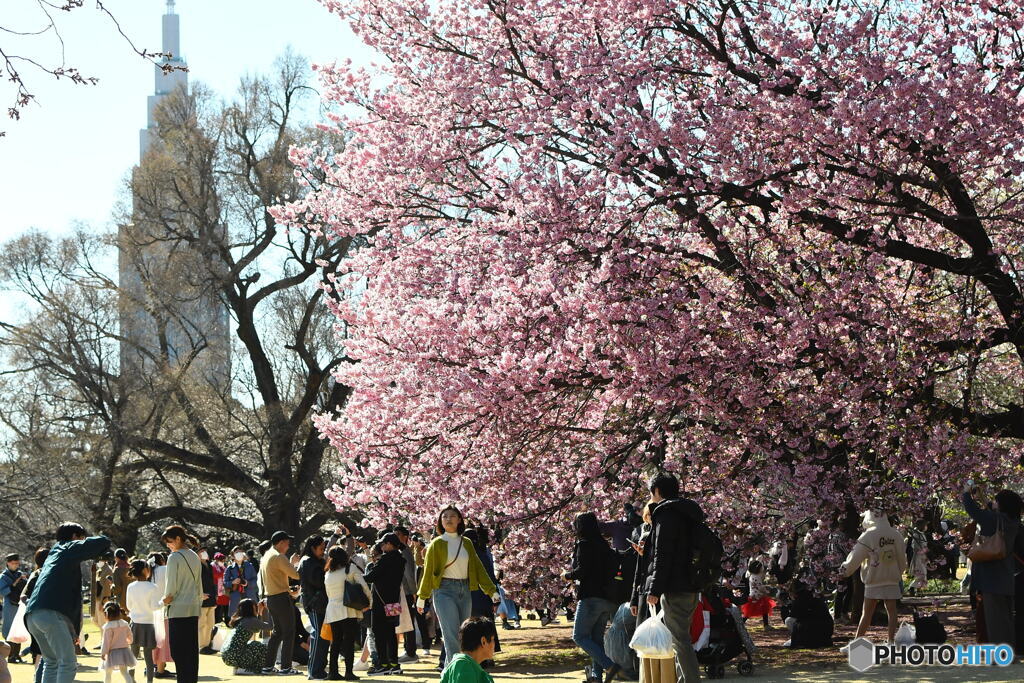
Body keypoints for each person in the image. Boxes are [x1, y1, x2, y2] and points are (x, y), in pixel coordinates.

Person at [24, 521, 111, 683]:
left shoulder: (54, 553)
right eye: (81, 538)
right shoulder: (67, 547)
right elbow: (103, 541)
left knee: (51, 662)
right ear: (74, 537)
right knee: (68, 663)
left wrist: (74, 630)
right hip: (51, 613)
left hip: (32, 615)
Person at [417, 506, 498, 670]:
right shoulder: (436, 544)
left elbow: (478, 568)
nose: (448, 519)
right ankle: (455, 674)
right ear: (440, 521)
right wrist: (422, 597)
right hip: (444, 590)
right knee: (451, 635)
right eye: (444, 516)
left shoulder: (466, 543)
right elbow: (428, 572)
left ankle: (453, 673)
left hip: (465, 590)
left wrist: (492, 590)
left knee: (464, 635)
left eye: (452, 516)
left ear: (459, 520)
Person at [644, 472, 704, 683]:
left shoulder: (666, 514)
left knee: (680, 640)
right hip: (692, 583)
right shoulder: (688, 513)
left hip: (675, 586)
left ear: (657, 491)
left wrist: (654, 588)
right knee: (680, 638)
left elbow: (663, 555)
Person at [962, 483, 1021, 646]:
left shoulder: (995, 520)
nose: (993, 503)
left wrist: (967, 493)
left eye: (996, 501)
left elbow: (974, 511)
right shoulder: (1011, 520)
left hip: (991, 579)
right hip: (1005, 577)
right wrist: (982, 498)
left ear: (1002, 505)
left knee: (995, 620)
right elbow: (989, 510)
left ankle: (1001, 654)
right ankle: (1009, 651)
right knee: (1006, 618)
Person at [838, 510, 907, 647]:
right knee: (892, 611)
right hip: (891, 578)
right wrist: (898, 572)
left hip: (873, 578)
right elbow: (902, 559)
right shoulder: (896, 534)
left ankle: (857, 642)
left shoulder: (868, 535)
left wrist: (845, 570)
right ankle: (891, 641)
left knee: (867, 613)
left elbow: (855, 556)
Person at [568, 512, 621, 683]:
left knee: (579, 636)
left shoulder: (584, 544)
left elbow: (582, 571)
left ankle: (609, 665)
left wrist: (566, 575)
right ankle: (597, 678)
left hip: (591, 597)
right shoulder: (604, 545)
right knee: (596, 640)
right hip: (607, 598)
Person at [160, 525, 203, 683]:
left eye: (169, 542)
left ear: (178, 539)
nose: (168, 545)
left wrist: (164, 602)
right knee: (191, 653)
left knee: (179, 652)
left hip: (177, 609)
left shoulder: (174, 557)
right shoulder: (194, 555)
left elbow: (171, 587)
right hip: (193, 608)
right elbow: (199, 583)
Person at [325, 546, 371, 680]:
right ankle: (349, 673)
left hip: (332, 610)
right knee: (349, 642)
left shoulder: (328, 573)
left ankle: (333, 672)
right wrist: (369, 603)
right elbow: (364, 586)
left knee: (336, 643)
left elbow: (328, 594)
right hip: (348, 609)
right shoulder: (350, 569)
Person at [259, 530, 301, 675]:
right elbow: (295, 574)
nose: (288, 546)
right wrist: (295, 563)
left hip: (271, 598)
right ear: (281, 542)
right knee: (289, 632)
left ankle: (268, 666)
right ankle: (286, 667)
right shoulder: (279, 556)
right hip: (281, 598)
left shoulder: (266, 556)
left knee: (277, 633)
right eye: (287, 543)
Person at [364, 533, 406, 675]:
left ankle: (383, 664)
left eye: (383, 544)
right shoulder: (401, 560)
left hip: (380, 602)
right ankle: (394, 664)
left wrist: (361, 574)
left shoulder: (385, 559)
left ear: (389, 544)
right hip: (393, 602)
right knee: (391, 632)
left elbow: (370, 577)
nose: (381, 546)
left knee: (379, 632)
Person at [299, 534, 329, 680]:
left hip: (320, 603)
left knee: (323, 637)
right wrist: (327, 569)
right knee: (318, 636)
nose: (323, 551)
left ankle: (320, 669)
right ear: (313, 548)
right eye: (321, 548)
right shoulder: (308, 562)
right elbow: (319, 581)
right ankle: (314, 671)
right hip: (315, 604)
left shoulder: (314, 561)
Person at [126, 559, 161, 683]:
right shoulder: (152, 587)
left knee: (133, 656)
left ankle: (131, 680)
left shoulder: (131, 586)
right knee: (148, 658)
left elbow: (128, 606)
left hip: (134, 623)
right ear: (145, 570)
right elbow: (155, 607)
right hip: (148, 625)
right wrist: (164, 602)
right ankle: (149, 681)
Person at [439, 617, 497, 683]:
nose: (494, 644)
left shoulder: (467, 665)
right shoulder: (464, 667)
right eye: (492, 639)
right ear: (483, 641)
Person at [393, 527, 421, 664]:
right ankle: (408, 650)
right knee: (403, 621)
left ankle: (411, 652)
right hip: (402, 591)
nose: (396, 536)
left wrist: (414, 592)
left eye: (398, 534)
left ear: (405, 536)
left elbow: (409, 573)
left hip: (408, 592)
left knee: (408, 621)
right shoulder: (399, 550)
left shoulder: (405, 550)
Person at [221, 599, 271, 675]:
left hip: (227, 655)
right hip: (235, 655)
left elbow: (256, 629)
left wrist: (260, 613)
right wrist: (269, 609)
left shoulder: (239, 619)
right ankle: (252, 669)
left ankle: (240, 668)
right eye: (255, 606)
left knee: (253, 643)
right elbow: (270, 627)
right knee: (261, 647)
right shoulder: (251, 620)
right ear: (252, 608)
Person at [99, 601, 136, 683]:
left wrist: (103, 652)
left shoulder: (108, 627)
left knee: (108, 673)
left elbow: (106, 642)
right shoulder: (125, 624)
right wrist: (128, 642)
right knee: (124, 672)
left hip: (112, 653)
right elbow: (130, 636)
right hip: (124, 651)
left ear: (106, 614)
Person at [0, 553, 27, 663]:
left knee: (19, 629)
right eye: (13, 563)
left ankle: (17, 655)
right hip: (9, 606)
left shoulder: (20, 574)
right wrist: (14, 584)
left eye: (17, 563)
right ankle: (10, 656)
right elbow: (3, 592)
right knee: (9, 630)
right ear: (8, 563)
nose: (15, 565)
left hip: (19, 604)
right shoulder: (3, 576)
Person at [223, 547, 259, 620]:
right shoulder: (230, 568)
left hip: (249, 595)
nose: (239, 554)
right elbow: (225, 583)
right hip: (236, 597)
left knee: (250, 617)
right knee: (236, 619)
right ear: (233, 556)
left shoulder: (250, 566)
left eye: (240, 552)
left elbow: (256, 580)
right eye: (236, 552)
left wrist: (247, 582)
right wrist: (232, 582)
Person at [197, 548, 217, 655]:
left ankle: (208, 644)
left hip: (211, 597)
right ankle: (202, 646)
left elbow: (212, 581)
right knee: (201, 624)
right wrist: (200, 594)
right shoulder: (196, 565)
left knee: (210, 624)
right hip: (202, 598)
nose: (204, 553)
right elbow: (196, 581)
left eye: (205, 551)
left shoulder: (209, 565)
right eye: (201, 552)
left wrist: (215, 595)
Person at [93, 551, 116, 629]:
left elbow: (107, 588)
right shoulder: (99, 570)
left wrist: (103, 602)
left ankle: (104, 640)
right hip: (97, 599)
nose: (98, 562)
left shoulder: (108, 570)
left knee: (103, 623)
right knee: (96, 621)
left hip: (103, 600)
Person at [210, 553, 229, 625]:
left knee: (224, 606)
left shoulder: (222, 565)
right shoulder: (213, 565)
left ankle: (224, 621)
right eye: (221, 560)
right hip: (216, 588)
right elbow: (217, 574)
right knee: (217, 607)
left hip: (222, 589)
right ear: (217, 559)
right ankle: (216, 622)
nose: (223, 561)